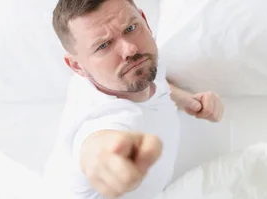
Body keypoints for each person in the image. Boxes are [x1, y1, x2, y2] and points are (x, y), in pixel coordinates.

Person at [43, 0, 224, 198]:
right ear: (77, 67)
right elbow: (96, 145)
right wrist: (104, 158)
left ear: (144, 21)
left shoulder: (134, 66)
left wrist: (188, 100)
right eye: (103, 45)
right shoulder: (107, 120)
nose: (130, 49)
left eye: (130, 27)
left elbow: (157, 83)